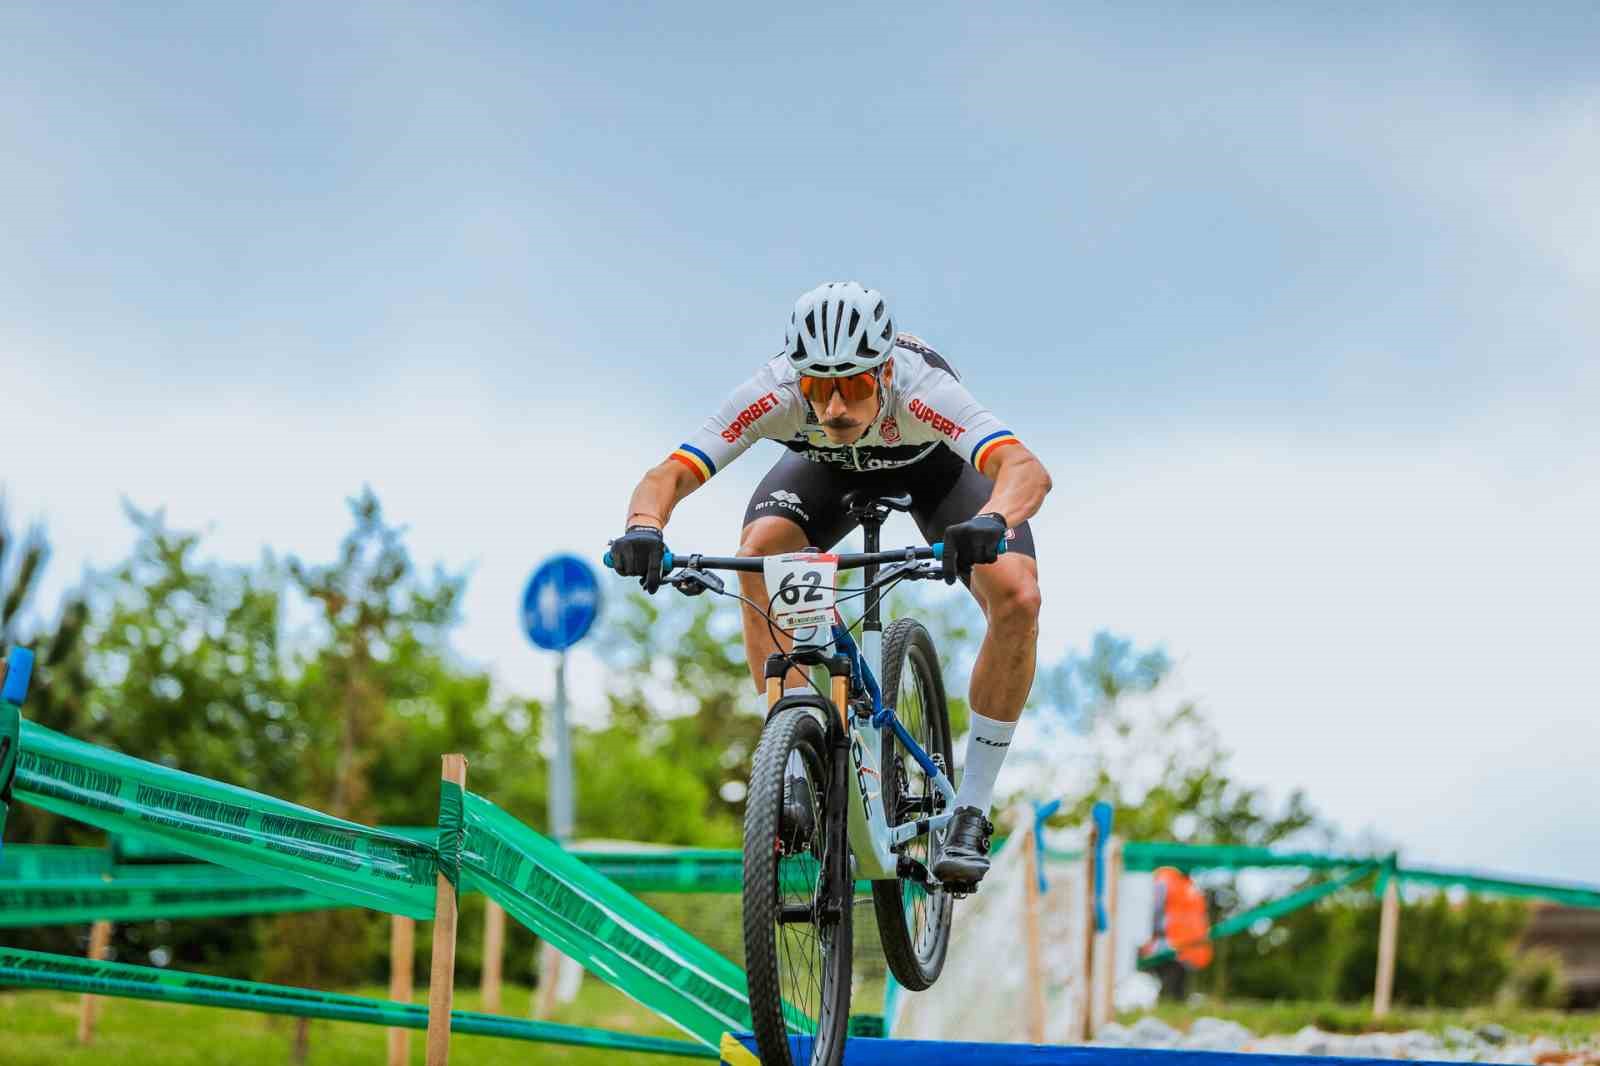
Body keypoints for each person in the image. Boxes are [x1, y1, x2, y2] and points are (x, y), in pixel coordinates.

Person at [609, 282, 1051, 886]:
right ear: (799, 377)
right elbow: (669, 473)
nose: (837, 407)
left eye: (857, 385)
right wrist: (644, 528)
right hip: (827, 471)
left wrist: (993, 521)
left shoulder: (924, 387)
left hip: (934, 473)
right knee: (760, 558)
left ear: (886, 371)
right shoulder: (773, 392)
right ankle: (789, 762)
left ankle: (971, 806)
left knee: (1018, 596)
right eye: (819, 387)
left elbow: (1024, 469)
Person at [1139, 865, 1213, 1000]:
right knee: (1168, 982)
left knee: (1174, 983)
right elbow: (1153, 910)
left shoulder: (1181, 885)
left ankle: (1169, 1001)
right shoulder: (1175, 883)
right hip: (1170, 945)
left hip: (1177, 947)